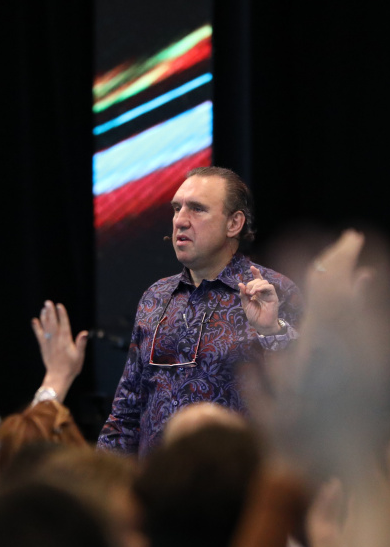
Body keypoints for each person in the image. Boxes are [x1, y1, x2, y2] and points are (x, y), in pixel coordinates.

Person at [98, 167, 302, 457]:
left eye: (197, 209)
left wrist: (272, 331)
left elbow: (309, 398)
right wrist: (104, 477)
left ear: (234, 223)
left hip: (238, 479)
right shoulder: (156, 296)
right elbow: (126, 410)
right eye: (176, 208)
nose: (180, 220)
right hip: (160, 481)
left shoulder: (275, 291)